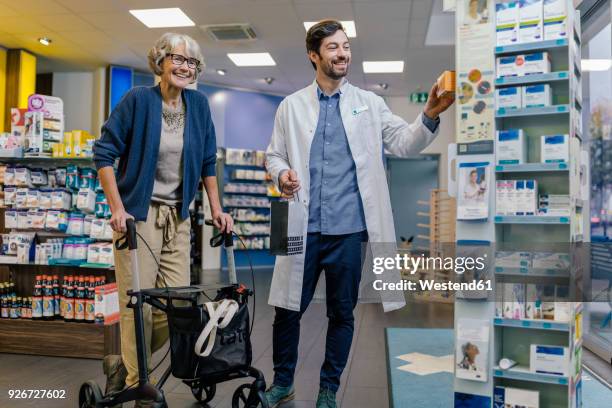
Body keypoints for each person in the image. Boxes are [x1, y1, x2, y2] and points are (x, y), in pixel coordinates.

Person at [264, 20, 455, 408]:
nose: (343, 54)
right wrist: (280, 172)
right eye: (333, 48)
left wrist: (430, 115)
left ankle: (328, 390)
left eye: (346, 46)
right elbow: (274, 153)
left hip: (349, 231)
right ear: (314, 56)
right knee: (286, 310)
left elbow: (403, 142)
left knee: (342, 314)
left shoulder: (369, 104)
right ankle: (282, 382)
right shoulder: (291, 106)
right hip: (300, 226)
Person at [93, 32, 232, 408]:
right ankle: (143, 390)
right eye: (178, 58)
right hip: (138, 218)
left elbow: (206, 161)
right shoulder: (138, 100)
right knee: (135, 303)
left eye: (192, 62)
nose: (185, 67)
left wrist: (216, 208)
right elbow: (104, 153)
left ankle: (120, 365)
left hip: (179, 219)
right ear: (161, 61)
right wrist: (117, 207)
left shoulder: (199, 106)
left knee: (176, 309)